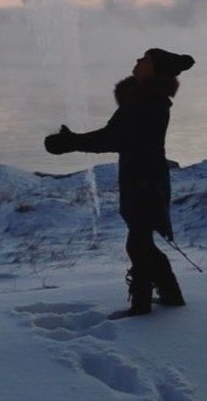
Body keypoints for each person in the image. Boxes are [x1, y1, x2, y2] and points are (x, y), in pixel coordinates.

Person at [44, 48, 195, 318]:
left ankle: (141, 305)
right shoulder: (141, 99)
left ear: (155, 70)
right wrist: (74, 141)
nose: (137, 61)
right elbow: (116, 135)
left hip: (145, 180)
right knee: (142, 240)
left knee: (138, 242)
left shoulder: (150, 102)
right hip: (140, 176)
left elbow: (116, 138)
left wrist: (72, 142)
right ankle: (170, 295)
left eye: (145, 60)